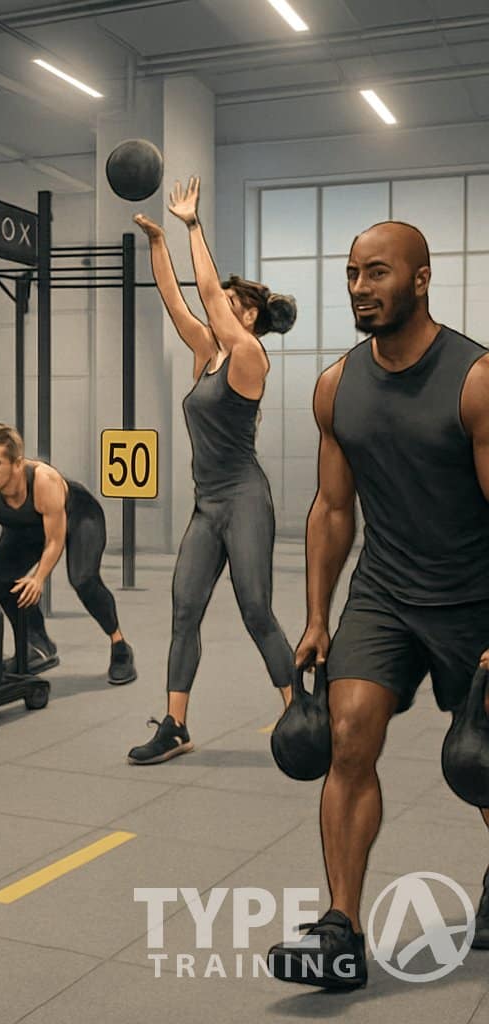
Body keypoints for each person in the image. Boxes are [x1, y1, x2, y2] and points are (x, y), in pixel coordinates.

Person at [266, 221, 489, 989]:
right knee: (348, 737)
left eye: (378, 274)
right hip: (386, 594)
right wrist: (319, 617)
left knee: (482, 763)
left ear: (422, 280)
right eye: (354, 274)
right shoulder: (336, 384)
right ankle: (340, 930)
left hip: (475, 597)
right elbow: (332, 512)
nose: (362, 288)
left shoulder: (476, 380)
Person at [126, 177, 296, 766]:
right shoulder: (207, 353)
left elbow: (204, 292)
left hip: (246, 498)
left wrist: (193, 224)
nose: (216, 306)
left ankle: (299, 711)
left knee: (256, 610)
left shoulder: (249, 355)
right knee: (184, 610)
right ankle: (175, 725)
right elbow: (178, 298)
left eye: (227, 302)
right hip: (208, 505)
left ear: (246, 313)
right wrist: (156, 242)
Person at [0, 423, 136, 684]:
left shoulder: (43, 481)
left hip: (78, 517)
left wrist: (38, 579)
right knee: (2, 579)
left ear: (17, 464)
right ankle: (38, 644)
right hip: (27, 527)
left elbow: (54, 541)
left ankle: (120, 646)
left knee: (83, 579)